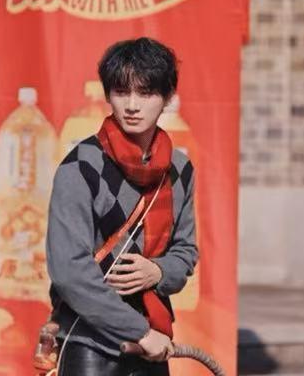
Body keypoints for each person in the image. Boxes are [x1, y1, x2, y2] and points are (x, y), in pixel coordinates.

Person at [45, 37, 198, 375]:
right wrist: (140, 332)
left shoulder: (180, 169)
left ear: (167, 98)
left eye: (145, 93)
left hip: (153, 342)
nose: (131, 105)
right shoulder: (79, 167)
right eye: (121, 91)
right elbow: (69, 272)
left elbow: (186, 250)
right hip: (90, 342)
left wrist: (159, 271)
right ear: (107, 95)